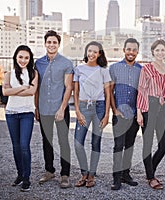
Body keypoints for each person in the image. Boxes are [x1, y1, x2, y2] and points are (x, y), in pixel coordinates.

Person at [35, 30, 74, 188]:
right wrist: (36, 107)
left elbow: (68, 87)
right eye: (49, 42)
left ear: (58, 44)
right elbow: (36, 88)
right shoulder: (38, 63)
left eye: (54, 42)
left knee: (64, 142)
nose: (51, 45)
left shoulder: (66, 63)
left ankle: (65, 175)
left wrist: (62, 108)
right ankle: (49, 171)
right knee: (47, 142)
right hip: (44, 109)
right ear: (45, 44)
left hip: (60, 109)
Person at [136, 39, 165, 190]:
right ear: (153, 52)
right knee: (147, 144)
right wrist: (139, 112)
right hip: (148, 106)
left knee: (164, 144)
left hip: (162, 106)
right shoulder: (146, 69)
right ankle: (151, 177)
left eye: (162, 50)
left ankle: (150, 168)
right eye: (157, 50)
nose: (160, 53)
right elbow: (141, 90)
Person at [73, 41, 111, 188]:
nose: (92, 54)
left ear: (99, 54)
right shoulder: (79, 69)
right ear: (86, 52)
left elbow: (108, 94)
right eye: (89, 51)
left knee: (96, 142)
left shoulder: (103, 71)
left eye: (95, 52)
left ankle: (91, 175)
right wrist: (77, 110)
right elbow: (75, 92)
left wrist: (107, 114)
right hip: (83, 106)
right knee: (78, 143)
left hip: (99, 108)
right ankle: (84, 173)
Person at [3, 45, 38, 192]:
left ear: (30, 59)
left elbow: (32, 92)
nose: (23, 60)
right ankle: (19, 174)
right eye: (20, 57)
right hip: (11, 113)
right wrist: (23, 87)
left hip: (26, 113)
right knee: (16, 147)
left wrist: (14, 90)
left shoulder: (34, 73)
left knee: (24, 145)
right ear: (16, 57)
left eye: (26, 58)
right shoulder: (8, 74)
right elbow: (5, 92)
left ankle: (27, 178)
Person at [109, 38, 142, 190]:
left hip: (134, 115)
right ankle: (116, 178)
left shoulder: (141, 70)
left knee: (129, 145)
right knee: (118, 146)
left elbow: (142, 93)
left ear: (137, 52)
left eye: (134, 50)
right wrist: (114, 110)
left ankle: (125, 174)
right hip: (119, 114)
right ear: (124, 50)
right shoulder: (114, 68)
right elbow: (109, 91)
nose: (131, 52)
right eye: (129, 49)